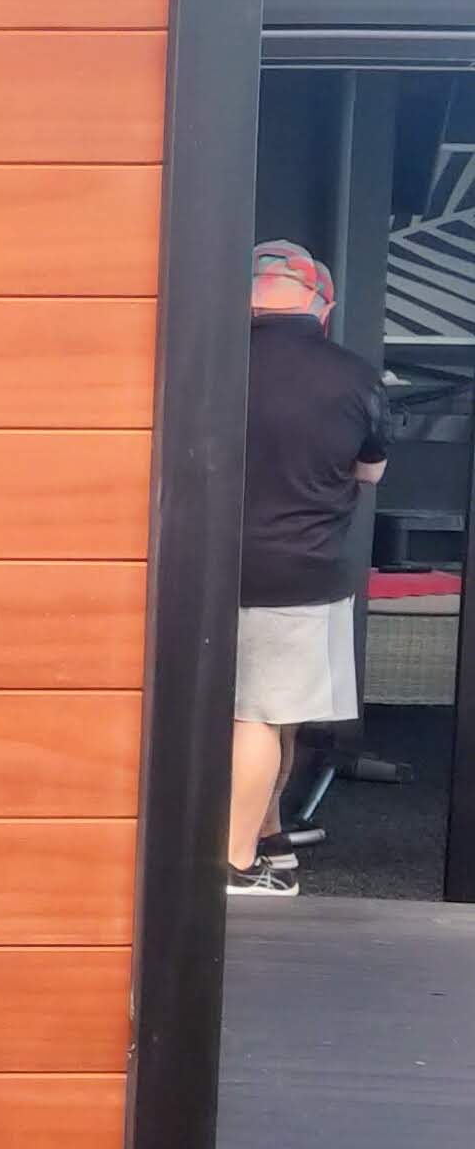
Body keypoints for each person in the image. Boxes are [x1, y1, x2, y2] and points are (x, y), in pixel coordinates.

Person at [228, 239, 387, 901]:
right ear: (320, 306)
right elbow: (370, 472)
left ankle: (256, 851)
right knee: (269, 716)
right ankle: (242, 863)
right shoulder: (354, 377)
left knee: (253, 716)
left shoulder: (214, 362)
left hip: (205, 567)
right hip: (304, 573)